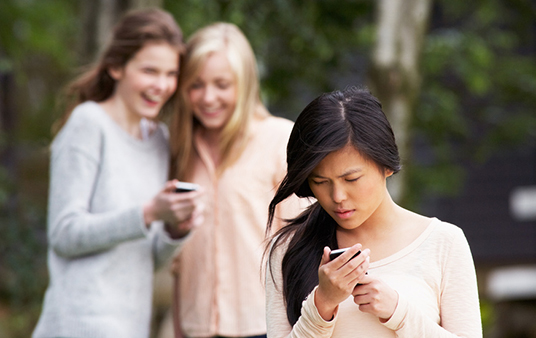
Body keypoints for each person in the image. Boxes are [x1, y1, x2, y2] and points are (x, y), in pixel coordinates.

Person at [32, 8, 204, 338]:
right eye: (150, 71)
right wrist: (148, 212)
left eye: (171, 73)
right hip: (76, 325)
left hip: (130, 326)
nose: (162, 85)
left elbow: (144, 258)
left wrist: (175, 230)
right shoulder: (88, 123)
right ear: (115, 67)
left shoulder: (158, 140)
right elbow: (64, 234)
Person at [265, 87, 482, 337]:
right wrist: (322, 304)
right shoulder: (289, 249)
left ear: (386, 166)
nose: (338, 197)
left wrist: (399, 314)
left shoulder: (444, 242)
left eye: (352, 179)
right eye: (321, 182)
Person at [168, 22, 304, 338]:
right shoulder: (181, 149)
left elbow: (302, 243)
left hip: (264, 326)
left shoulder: (280, 139)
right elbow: (180, 261)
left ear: (244, 84)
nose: (208, 97)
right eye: (196, 85)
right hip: (195, 328)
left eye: (222, 84)